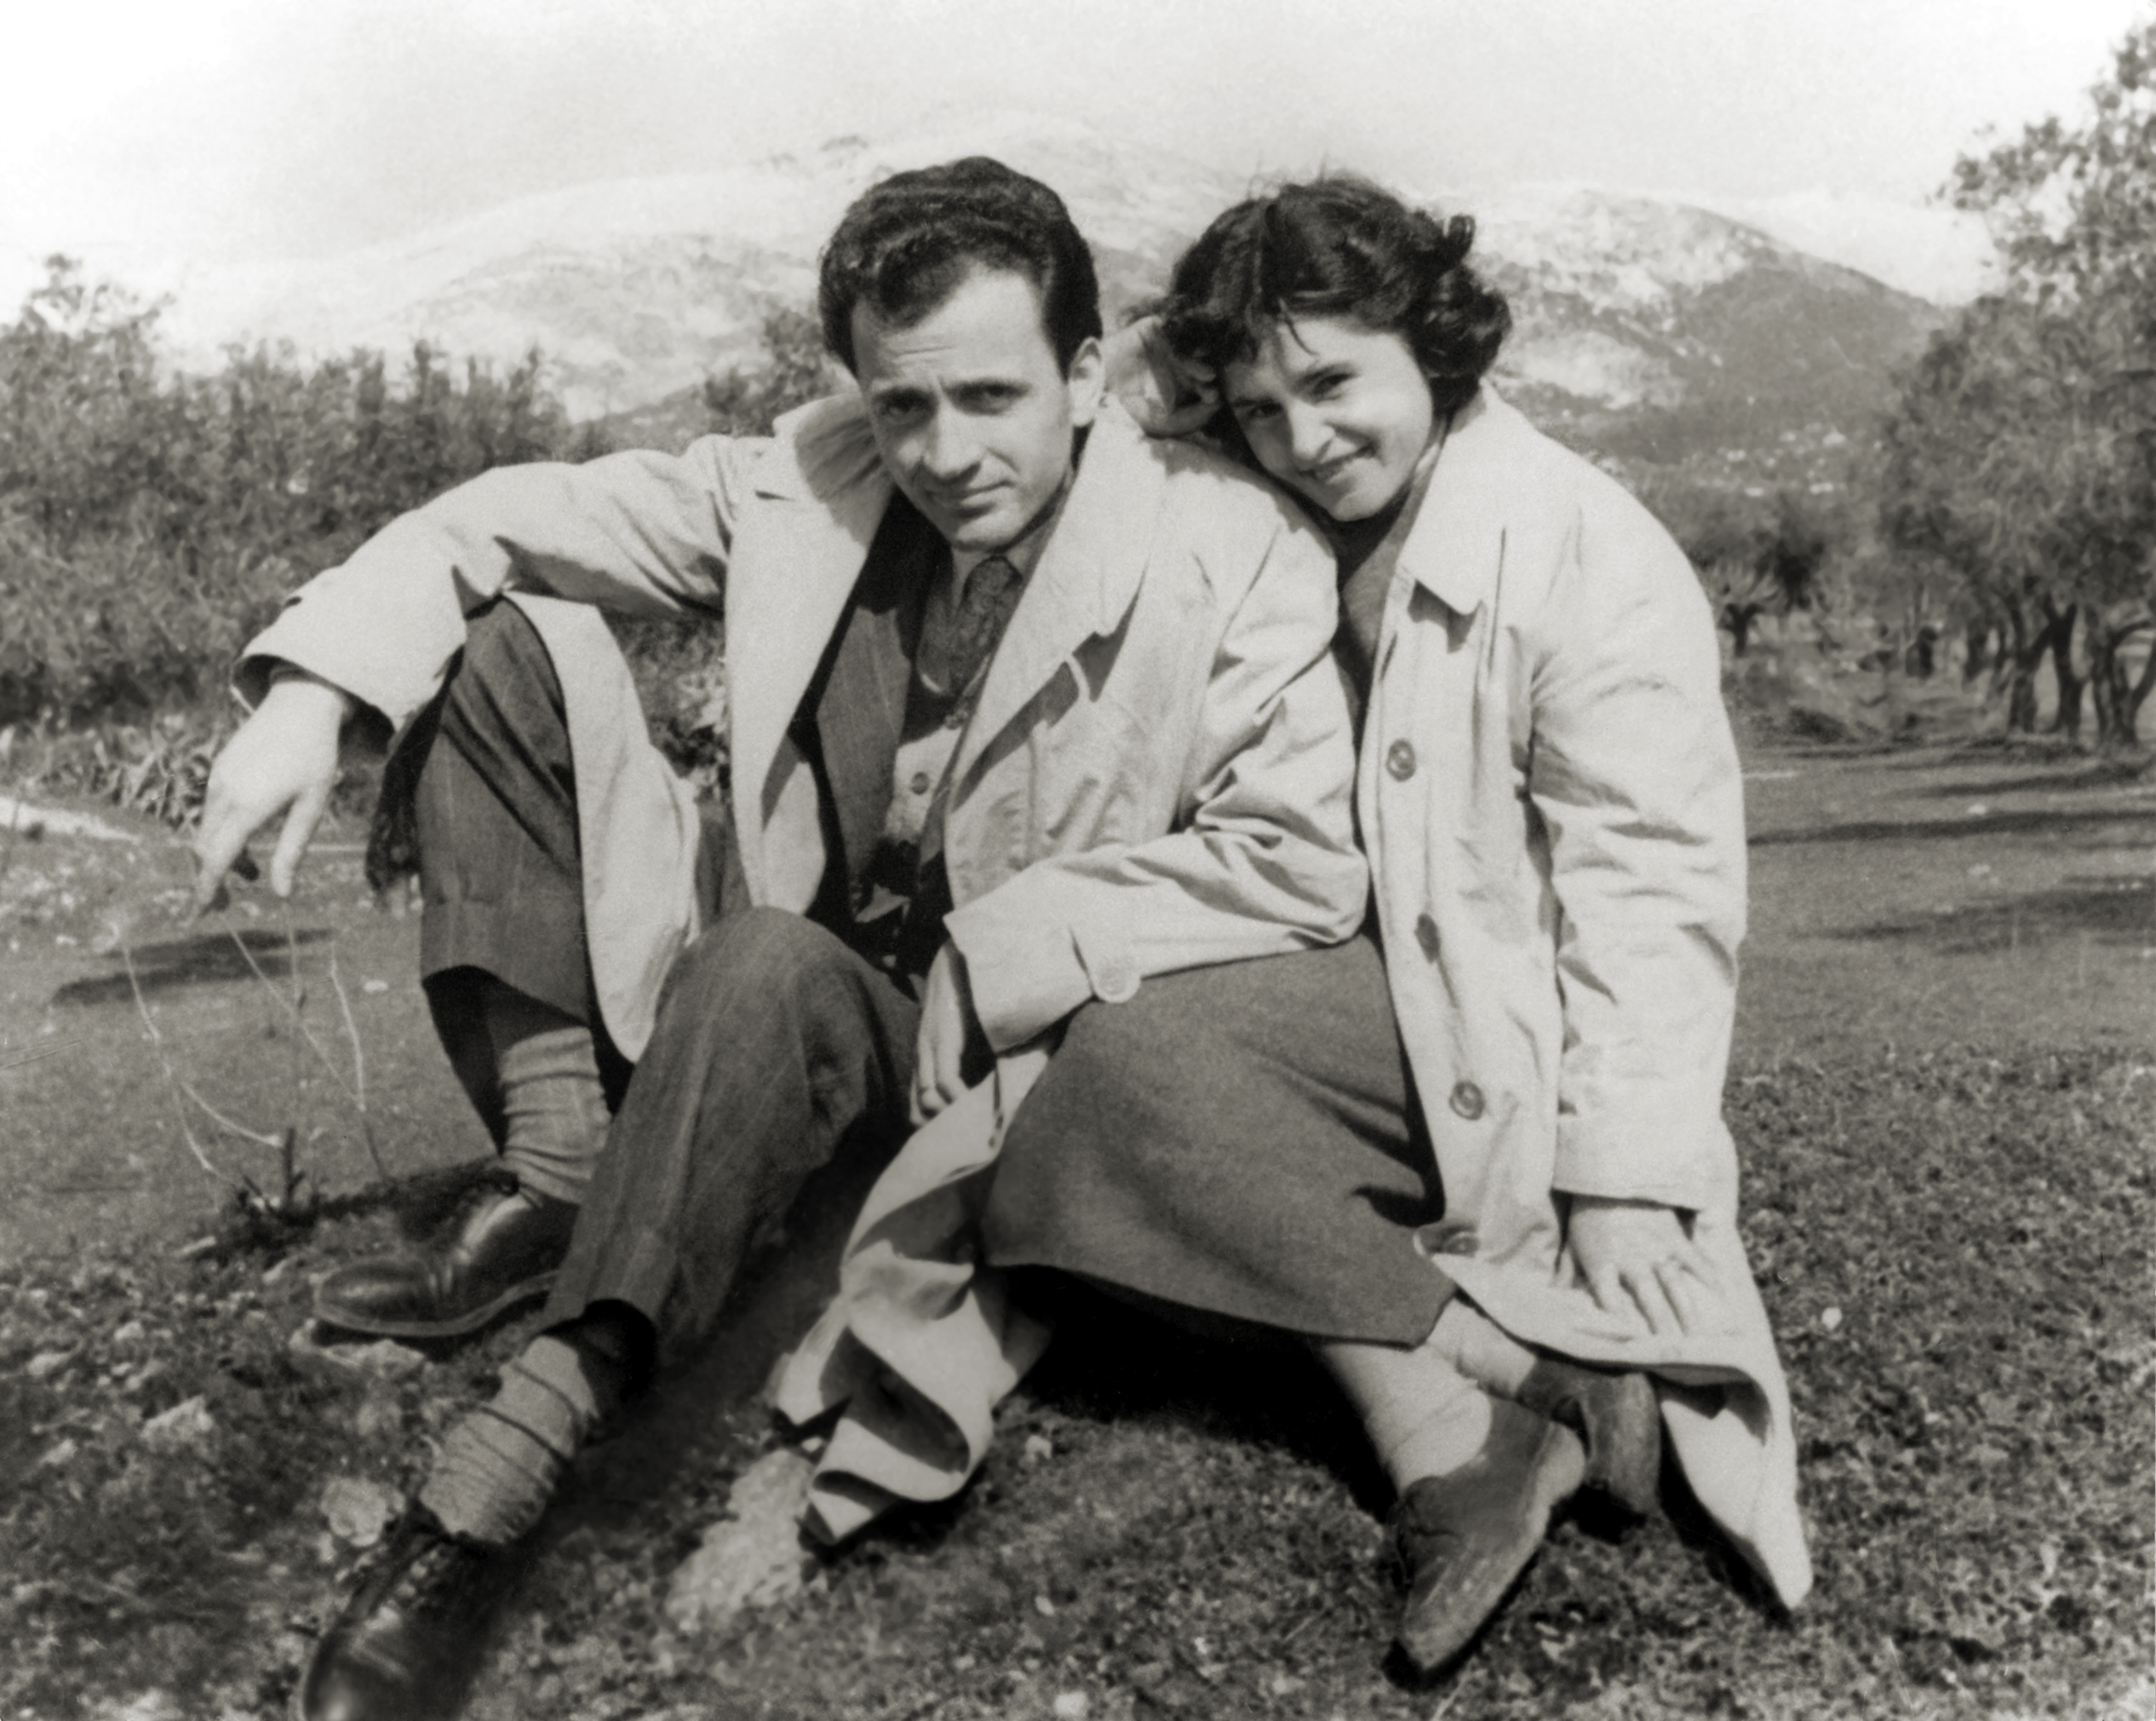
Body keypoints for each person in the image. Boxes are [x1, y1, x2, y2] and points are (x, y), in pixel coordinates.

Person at [191, 158, 1368, 1721]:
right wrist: (315, 691)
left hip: (976, 1089)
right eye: (902, 407)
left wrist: (1008, 947)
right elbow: (496, 520)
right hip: (754, 1012)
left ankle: (482, 1502)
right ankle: (560, 1171)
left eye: (992, 398)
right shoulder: (807, 484)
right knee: (500, 642)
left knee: (764, 965)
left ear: (1088, 374)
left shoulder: (1230, 547)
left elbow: (1293, 858)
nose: (946, 455)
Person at [780, 177, 1812, 1677]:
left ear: (1439, 355)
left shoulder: (1587, 551)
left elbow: (1653, 875)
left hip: (1487, 1028)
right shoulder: (1269, 496)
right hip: (1340, 987)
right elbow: (1115, 384)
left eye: (1335, 383)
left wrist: (1627, 1173)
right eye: (1261, 408)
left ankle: (1457, 1423)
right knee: (1064, 1115)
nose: (1305, 438)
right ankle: (1507, 1399)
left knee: (1119, 1076)